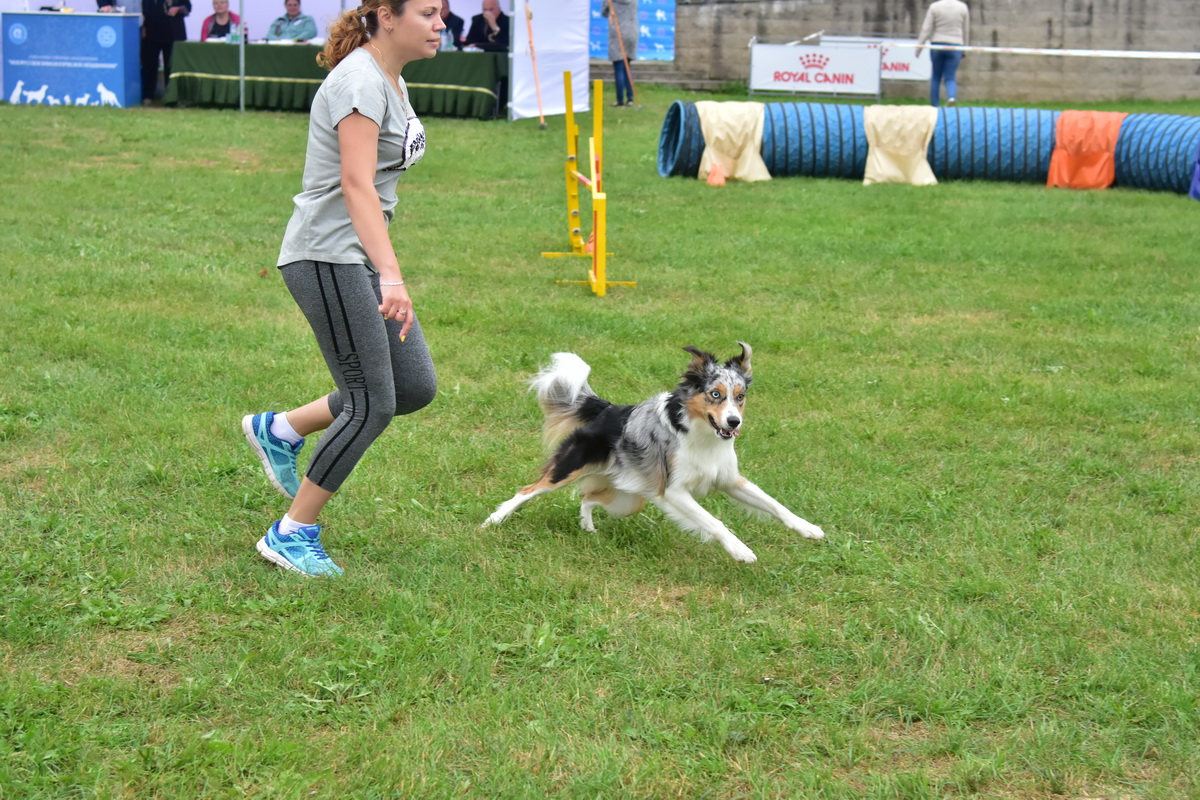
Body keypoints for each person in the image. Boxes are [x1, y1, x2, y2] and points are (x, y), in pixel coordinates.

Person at [242, 0, 443, 578]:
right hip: (327, 255)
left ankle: (280, 428)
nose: (440, 25)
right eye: (428, 12)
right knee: (371, 402)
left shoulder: (390, 79)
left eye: (442, 13)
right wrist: (392, 275)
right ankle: (292, 532)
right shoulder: (360, 81)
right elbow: (356, 185)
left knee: (413, 386)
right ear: (386, 15)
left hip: (354, 256)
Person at [915, 0, 970, 107]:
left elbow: (926, 29)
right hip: (955, 45)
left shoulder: (934, 7)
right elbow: (965, 30)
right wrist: (965, 49)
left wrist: (919, 48)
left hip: (937, 45)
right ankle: (951, 97)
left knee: (936, 77)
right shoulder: (963, 8)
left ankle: (934, 105)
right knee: (950, 77)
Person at [141, 0, 191, 103]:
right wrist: (143, 26)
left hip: (173, 31)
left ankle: (172, 96)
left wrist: (178, 9)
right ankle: (148, 95)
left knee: (171, 66)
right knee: (149, 65)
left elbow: (187, 7)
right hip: (151, 30)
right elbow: (144, 8)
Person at [602, 0, 637, 107]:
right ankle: (630, 98)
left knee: (619, 67)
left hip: (618, 31)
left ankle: (620, 100)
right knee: (627, 67)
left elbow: (604, 12)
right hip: (632, 31)